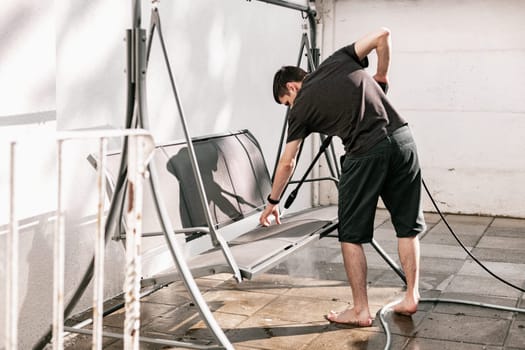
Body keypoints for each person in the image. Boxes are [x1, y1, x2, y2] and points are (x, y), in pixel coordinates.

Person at [259, 27, 426, 327]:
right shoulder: (338, 59)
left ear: (292, 88)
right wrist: (382, 76)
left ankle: (361, 310)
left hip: (365, 151)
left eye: (286, 102)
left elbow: (288, 162)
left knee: (350, 234)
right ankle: (411, 296)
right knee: (407, 227)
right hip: (403, 139)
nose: (289, 109)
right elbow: (383, 37)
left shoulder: (300, 109)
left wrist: (273, 201)